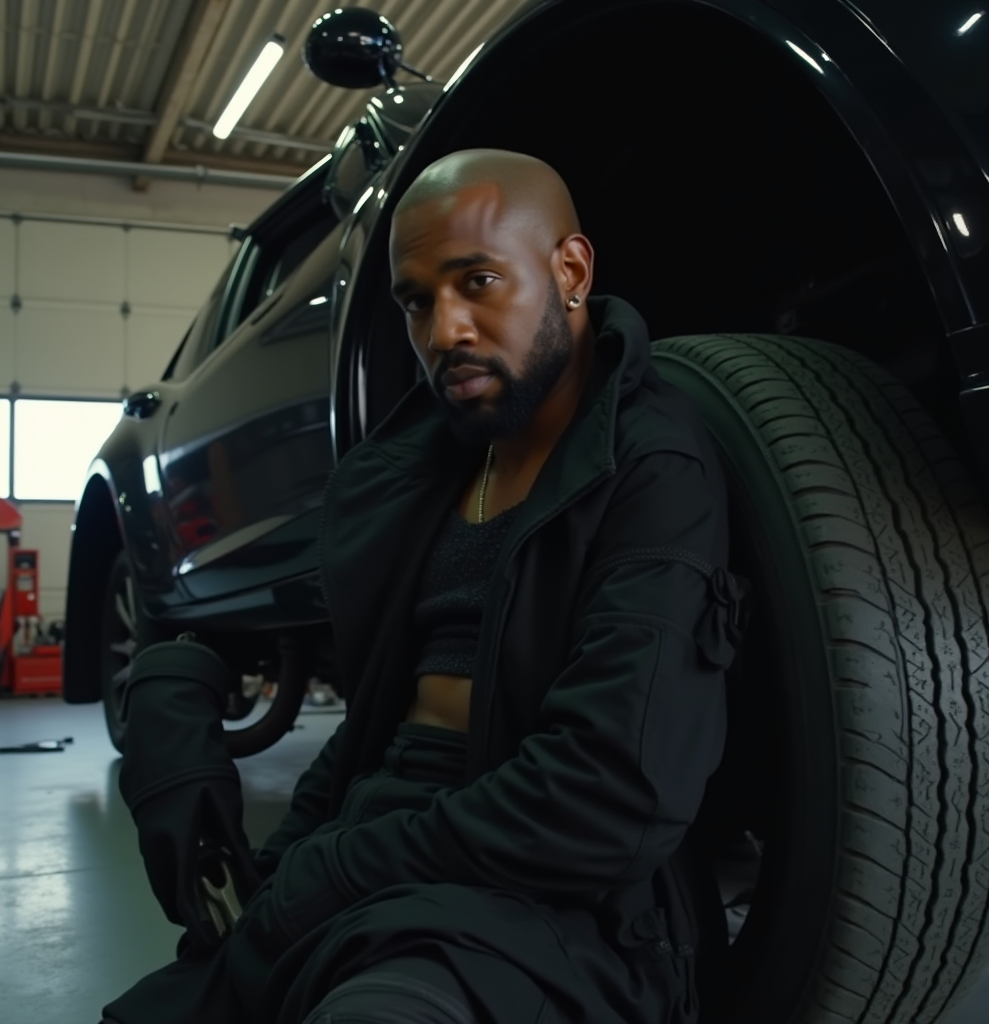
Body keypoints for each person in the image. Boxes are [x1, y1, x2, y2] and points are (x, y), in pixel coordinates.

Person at [101, 148, 741, 1024]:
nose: (444, 331)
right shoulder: (424, 476)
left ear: (571, 269)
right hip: (389, 855)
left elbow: (608, 797)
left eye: (478, 281)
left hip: (549, 904)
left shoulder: (647, 467)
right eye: (416, 302)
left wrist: (331, 873)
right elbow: (380, 725)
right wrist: (281, 859)